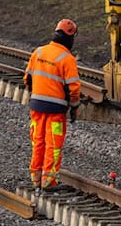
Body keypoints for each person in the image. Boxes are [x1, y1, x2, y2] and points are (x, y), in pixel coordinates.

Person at [24, 19, 81, 191]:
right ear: (70, 38)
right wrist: (74, 106)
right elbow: (74, 88)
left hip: (36, 106)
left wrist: (35, 95)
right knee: (53, 144)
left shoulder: (38, 52)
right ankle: (49, 180)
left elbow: (27, 79)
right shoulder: (67, 59)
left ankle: (36, 176)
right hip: (56, 109)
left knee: (38, 141)